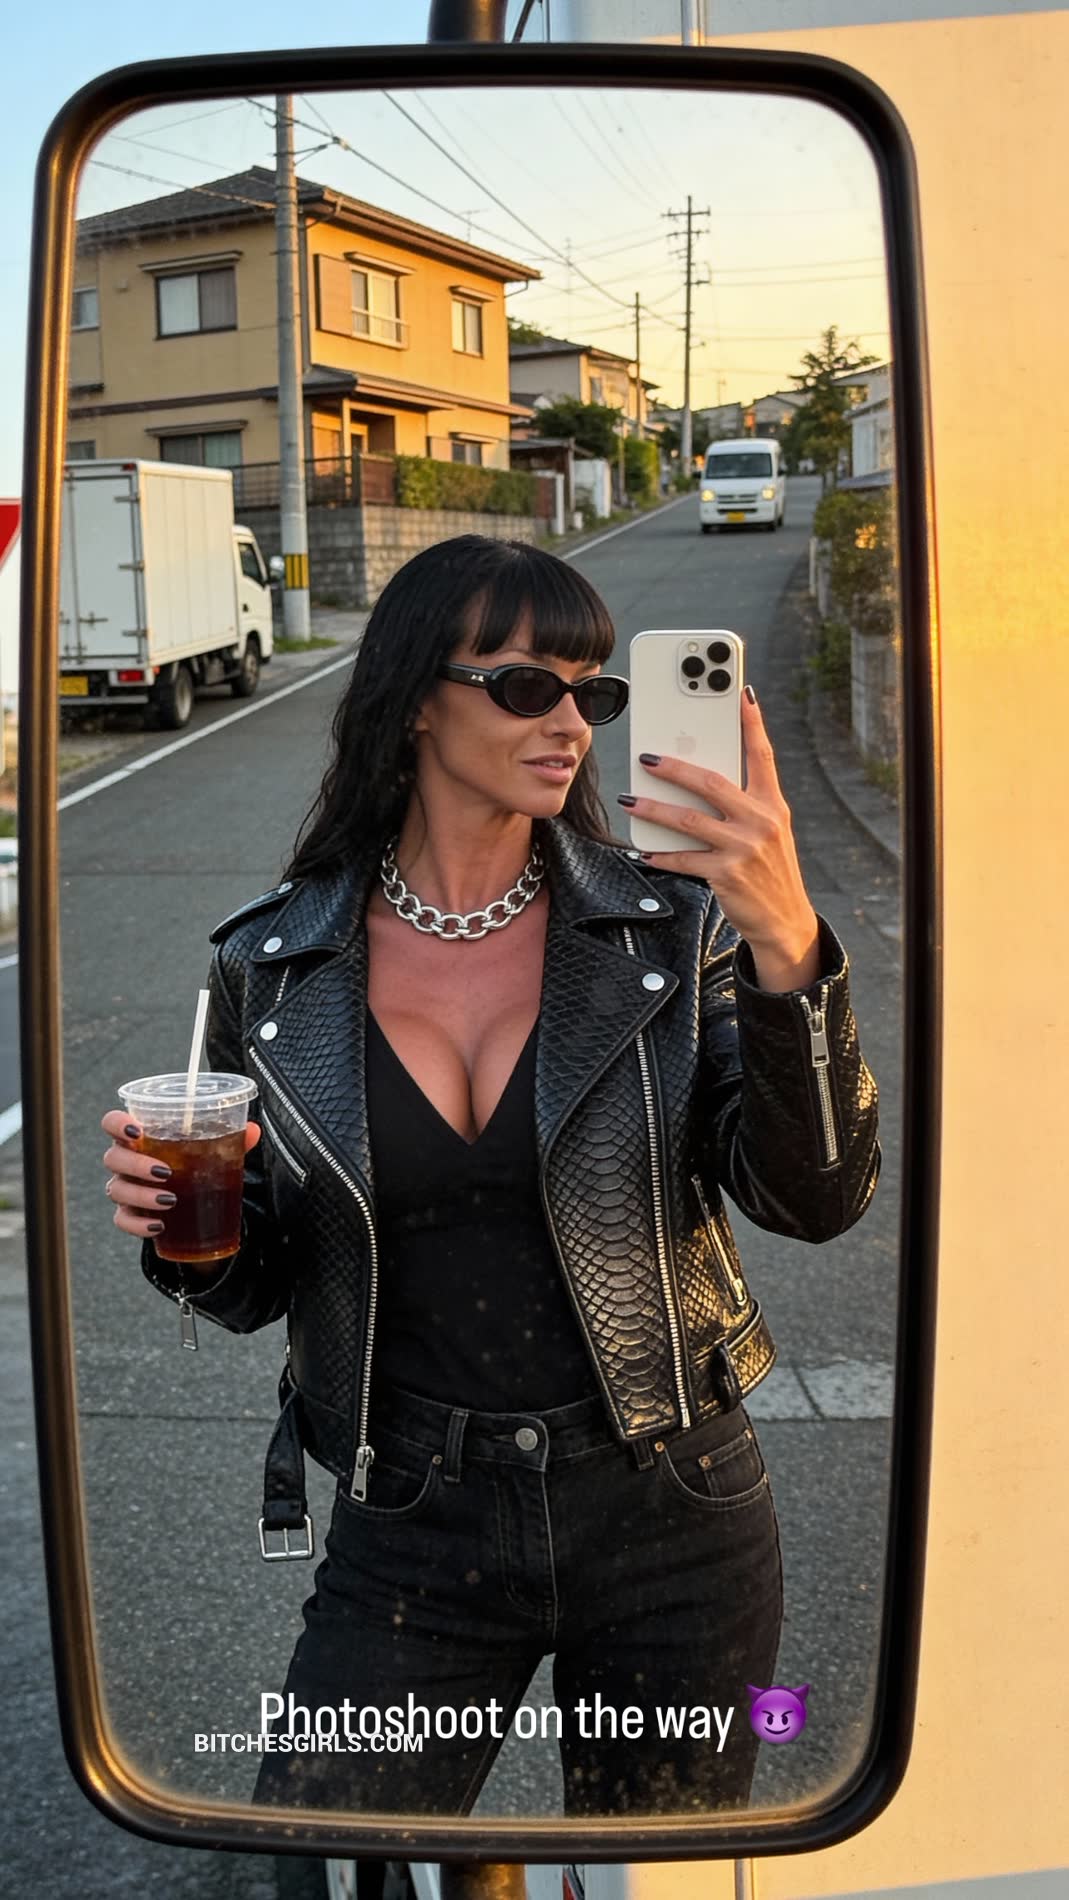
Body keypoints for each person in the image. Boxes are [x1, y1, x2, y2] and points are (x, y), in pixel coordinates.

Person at [100, 534, 879, 1818]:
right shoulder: (272, 967)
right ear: (416, 697)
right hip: (411, 1514)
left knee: (655, 1874)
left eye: (593, 691)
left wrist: (786, 938)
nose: (570, 723)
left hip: (671, 1500)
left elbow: (815, 1196)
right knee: (321, 1839)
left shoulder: (672, 926)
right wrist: (184, 1229)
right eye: (526, 686)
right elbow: (250, 1290)